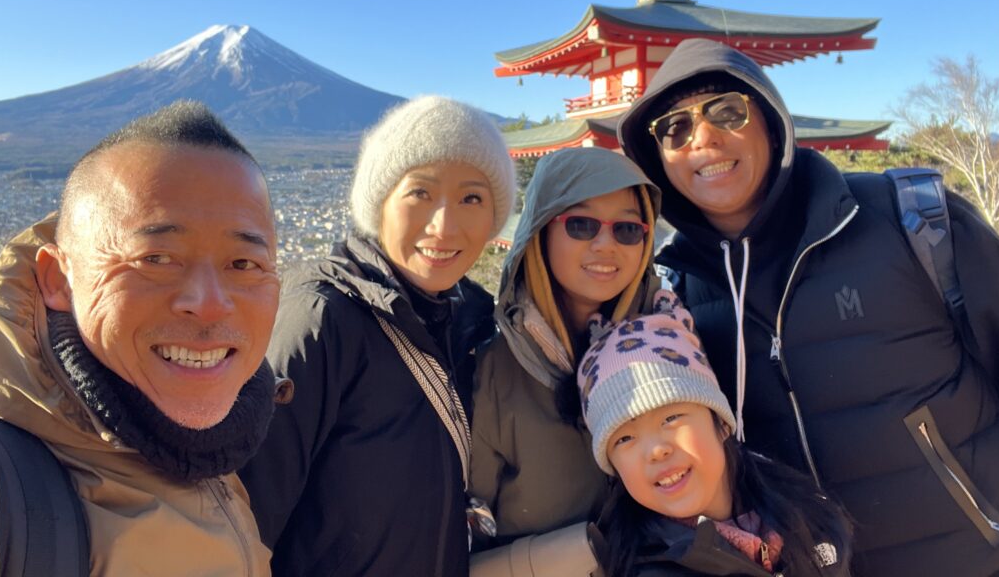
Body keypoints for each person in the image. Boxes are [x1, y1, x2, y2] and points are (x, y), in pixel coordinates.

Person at [616, 38, 999, 576]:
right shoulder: (679, 298)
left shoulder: (908, 221)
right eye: (674, 128)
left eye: (727, 111)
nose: (702, 137)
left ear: (772, 123)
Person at [0, 100, 280, 575]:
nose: (209, 303)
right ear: (59, 279)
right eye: (156, 258)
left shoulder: (219, 452)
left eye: (244, 264)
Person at [239, 95, 515, 577]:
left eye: (472, 197)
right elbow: (244, 518)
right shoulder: (322, 317)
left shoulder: (469, 319)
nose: (443, 225)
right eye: (419, 193)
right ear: (378, 203)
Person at [469, 146, 661, 574]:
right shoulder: (491, 373)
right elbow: (461, 539)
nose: (605, 244)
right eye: (581, 223)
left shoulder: (668, 345)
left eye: (628, 229)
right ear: (539, 231)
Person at [578, 306, 851, 577]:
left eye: (670, 418)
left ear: (721, 423)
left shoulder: (807, 514)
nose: (656, 450)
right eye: (624, 438)